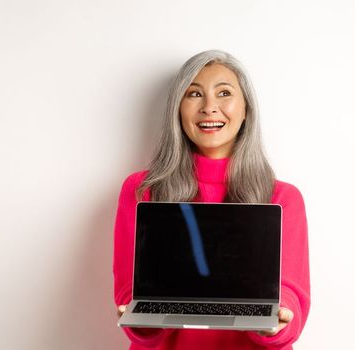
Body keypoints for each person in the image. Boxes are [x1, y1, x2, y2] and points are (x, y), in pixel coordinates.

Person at [112, 49, 310, 349]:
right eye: (194, 94)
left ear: (246, 110)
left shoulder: (283, 197)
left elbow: (290, 295)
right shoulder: (142, 190)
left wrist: (277, 321)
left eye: (224, 93)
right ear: (178, 110)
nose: (209, 107)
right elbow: (130, 292)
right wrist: (142, 322)